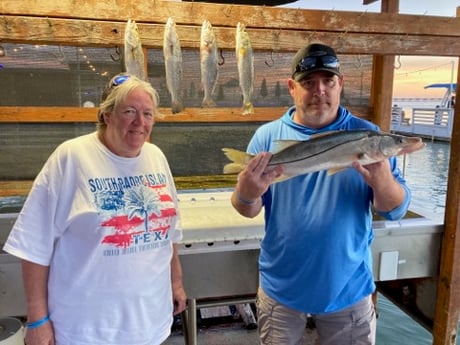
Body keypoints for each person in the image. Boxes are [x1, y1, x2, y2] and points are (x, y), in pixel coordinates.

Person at [230, 43, 411, 345]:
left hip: (349, 290)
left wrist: (383, 181)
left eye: (328, 81)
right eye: (308, 82)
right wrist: (247, 194)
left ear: (340, 84)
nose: (320, 91)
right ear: (292, 87)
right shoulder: (267, 137)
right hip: (281, 289)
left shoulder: (368, 135)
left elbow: (395, 210)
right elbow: (245, 208)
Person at [3, 73, 187, 345]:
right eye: (129, 111)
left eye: (148, 113)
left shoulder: (156, 157)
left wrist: (176, 283)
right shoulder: (71, 158)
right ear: (106, 115)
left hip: (150, 324)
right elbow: (34, 246)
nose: (140, 122)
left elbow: (167, 233)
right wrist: (38, 320)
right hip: (86, 331)